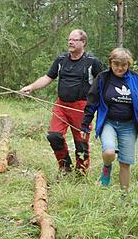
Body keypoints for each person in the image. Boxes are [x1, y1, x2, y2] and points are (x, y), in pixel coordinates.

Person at [21, 29, 103, 174]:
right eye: (69, 40)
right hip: (62, 106)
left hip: (82, 108)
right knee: (54, 136)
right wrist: (31, 87)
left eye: (74, 40)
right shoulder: (61, 60)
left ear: (83, 42)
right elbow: (47, 77)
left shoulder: (92, 62)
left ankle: (81, 172)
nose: (70, 42)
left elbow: (103, 83)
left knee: (81, 143)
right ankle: (65, 167)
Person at [81, 48, 138, 191]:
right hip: (109, 123)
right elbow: (92, 101)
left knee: (125, 163)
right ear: (110, 63)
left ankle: (124, 195)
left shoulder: (135, 79)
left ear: (128, 64)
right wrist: (85, 124)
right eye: (116, 64)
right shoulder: (103, 78)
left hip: (129, 125)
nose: (119, 68)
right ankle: (107, 168)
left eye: (123, 65)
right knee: (109, 152)